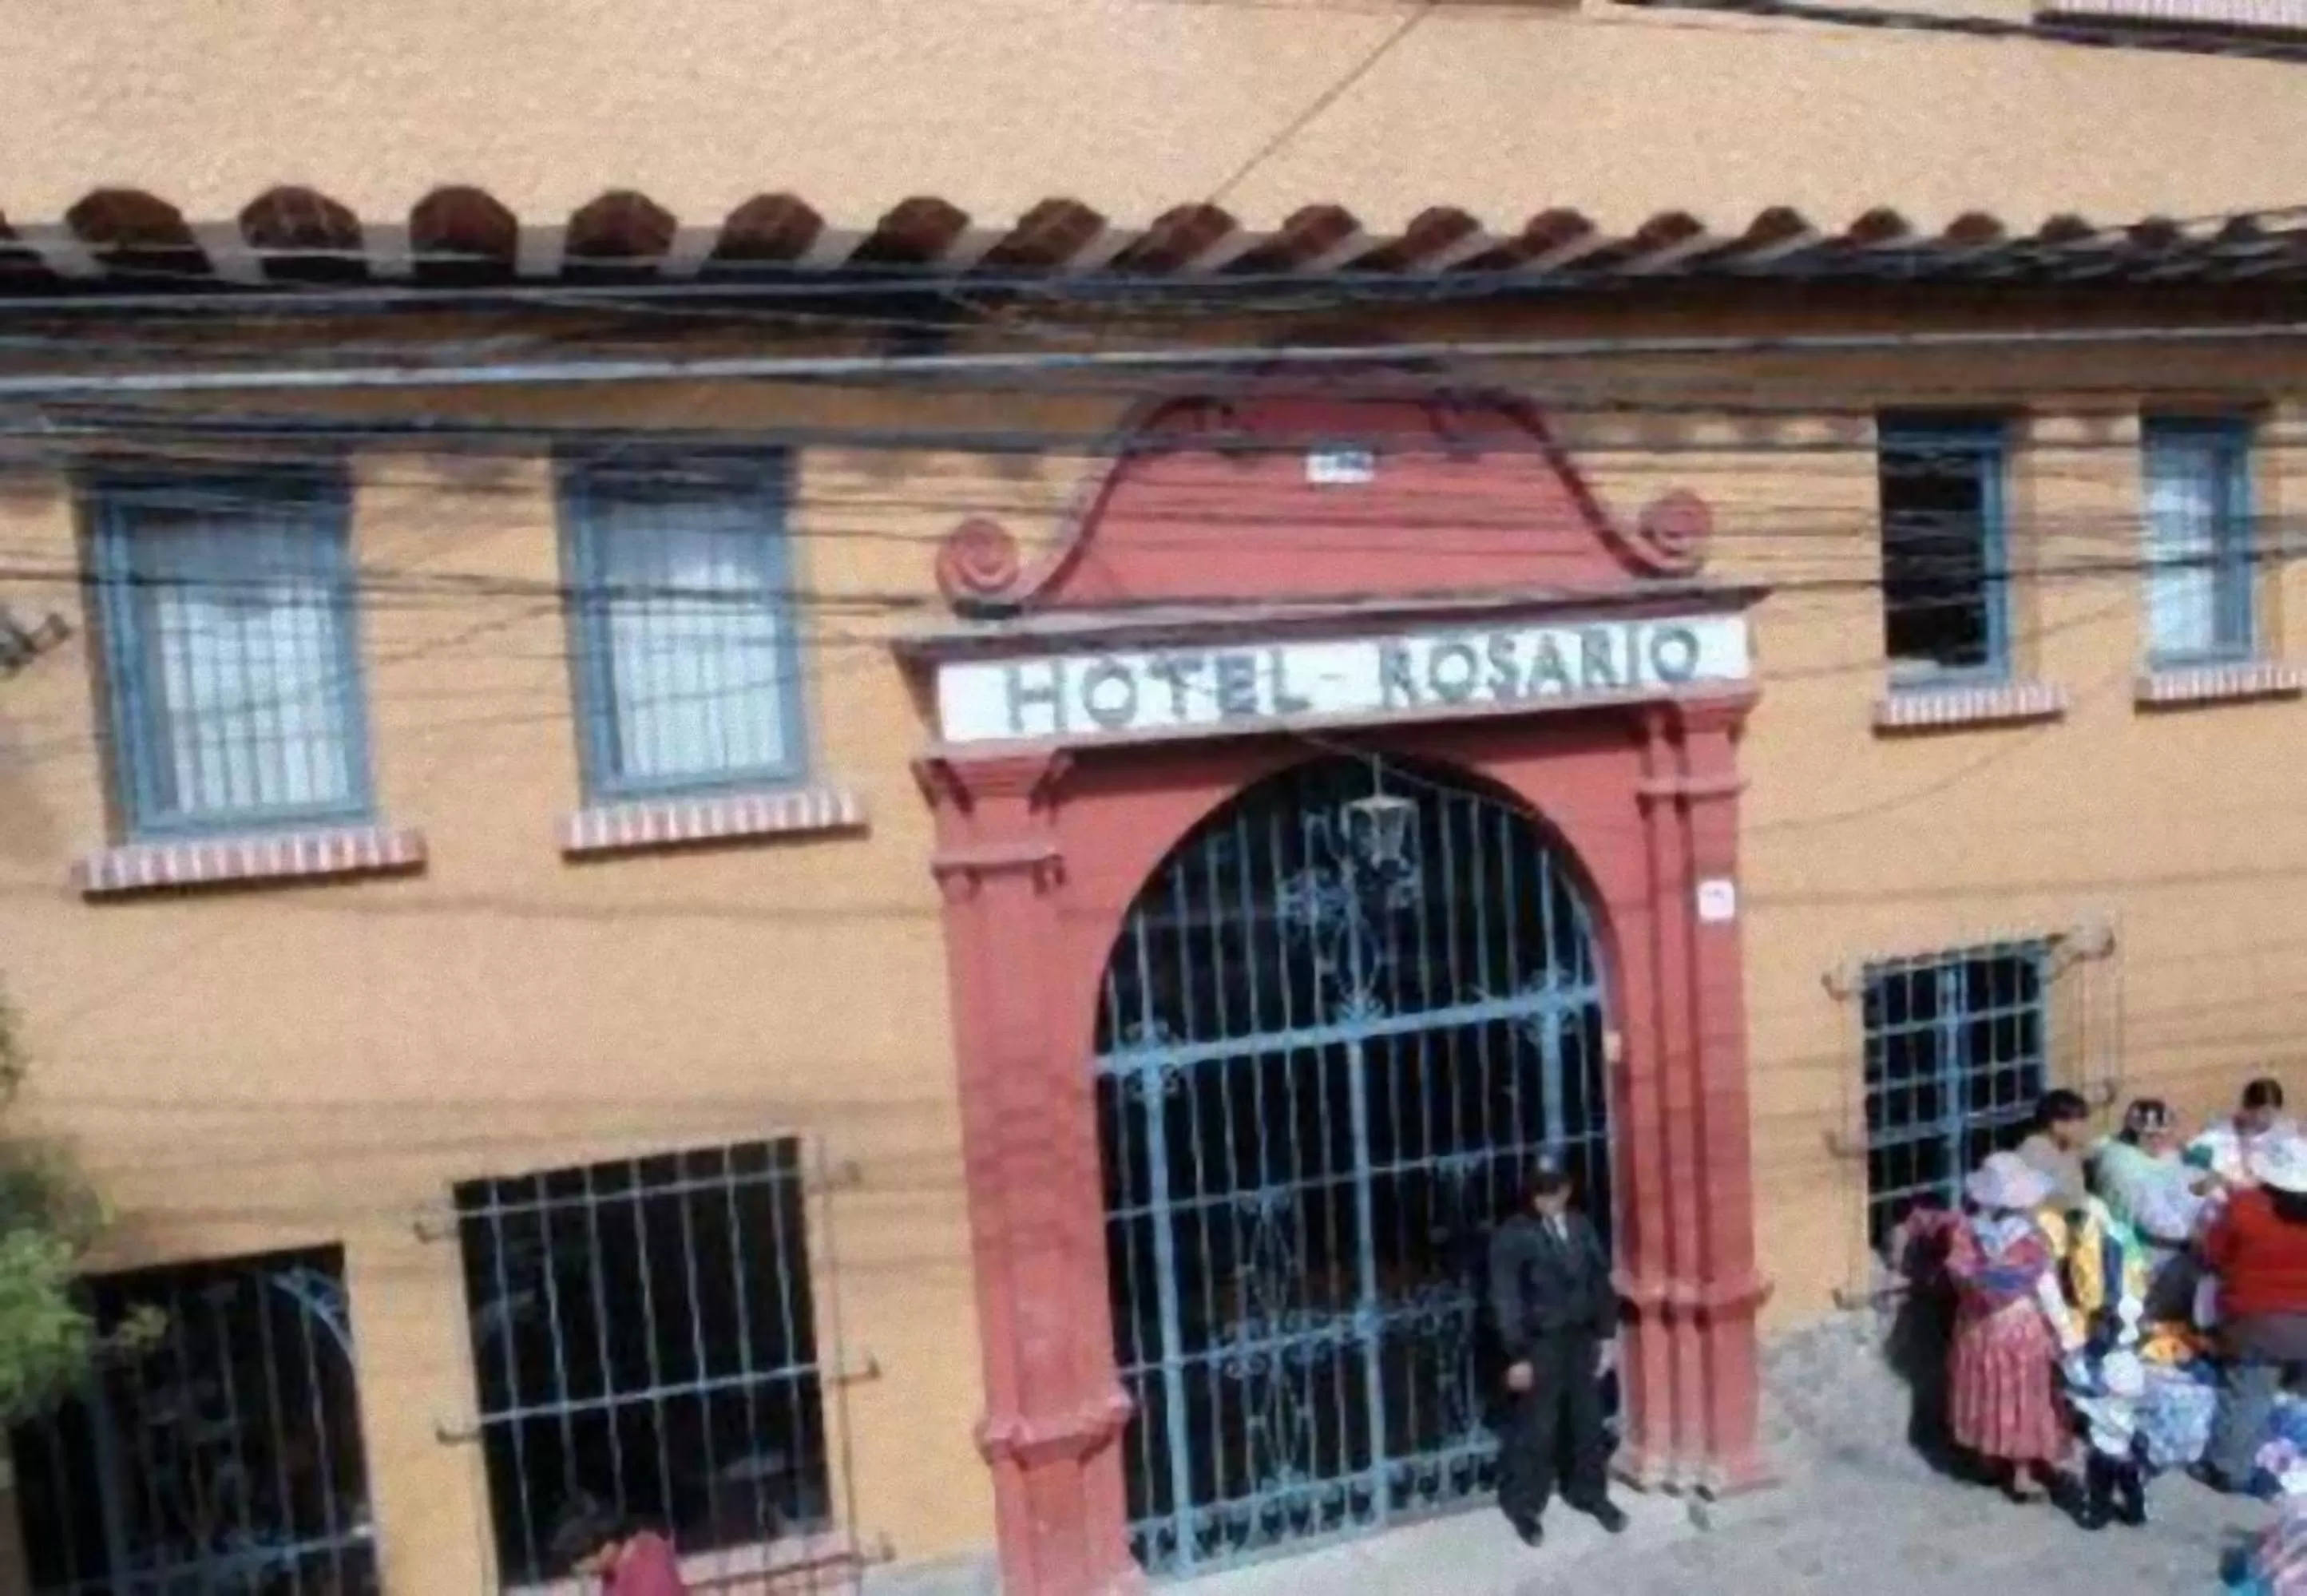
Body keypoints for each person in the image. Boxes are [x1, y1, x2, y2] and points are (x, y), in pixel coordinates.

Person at [1487, 1155, 1629, 1547]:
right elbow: (1506, 1297)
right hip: (1540, 1344)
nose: (1546, 1199)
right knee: (1538, 1428)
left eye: (1553, 1190)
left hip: (1580, 1339)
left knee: (1588, 1422)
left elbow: (1599, 1281)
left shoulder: (1581, 1227)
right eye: (1539, 1191)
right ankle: (1525, 1507)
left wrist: (1606, 1335)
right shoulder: (1514, 1234)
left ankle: (1590, 1493)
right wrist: (1516, 1354)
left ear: (1566, 1190)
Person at [1944, 1151, 2074, 1503]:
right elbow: (2047, 1290)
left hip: (1976, 1327)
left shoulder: (1965, 1233)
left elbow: (1960, 1277)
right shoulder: (2030, 1241)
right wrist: (2067, 1333)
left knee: (1987, 1393)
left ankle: (1987, 1459)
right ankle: (2021, 1472)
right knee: (2022, 1399)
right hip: (2019, 1328)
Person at [2200, 1137, 2307, 1494]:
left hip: (2255, 1324)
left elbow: (2214, 1254)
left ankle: (2230, 1470)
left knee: (2248, 1396)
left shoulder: (2244, 1207)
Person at [2091, 1097, 2214, 1321]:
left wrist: (2206, 1187)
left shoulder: (2163, 1156)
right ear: (2134, 1134)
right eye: (2151, 1136)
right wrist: (2198, 1233)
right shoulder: (2122, 1166)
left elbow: (2180, 1187)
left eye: (2163, 1135)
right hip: (2148, 1256)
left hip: (2179, 1238)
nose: (2159, 1141)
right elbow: (2151, 1222)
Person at [548, 1499, 688, 1595]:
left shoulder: (649, 1572)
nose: (577, 1568)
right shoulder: (617, 1569)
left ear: (608, 1543)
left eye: (580, 1558)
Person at [2191, 1078, 2293, 1187]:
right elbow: (2195, 1183)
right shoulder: (2216, 1138)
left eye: (2272, 1114)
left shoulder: (2285, 1136)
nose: (2267, 1120)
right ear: (2246, 1109)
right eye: (2263, 1113)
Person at [2016, 1089, 2094, 1214]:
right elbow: (2032, 1205)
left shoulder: (2068, 1149)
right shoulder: (2035, 1152)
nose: (2083, 1128)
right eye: (2079, 1121)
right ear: (2057, 1124)